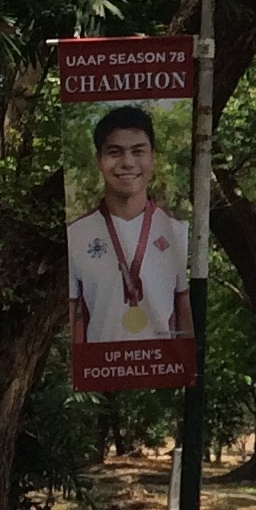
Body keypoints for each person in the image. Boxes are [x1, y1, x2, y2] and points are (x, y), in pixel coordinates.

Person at [67, 106, 189, 349]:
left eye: (138, 151)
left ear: (152, 157)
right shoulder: (75, 235)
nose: (128, 163)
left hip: (161, 365)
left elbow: (185, 315)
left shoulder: (177, 232)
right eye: (115, 152)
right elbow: (73, 319)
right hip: (102, 366)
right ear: (99, 160)